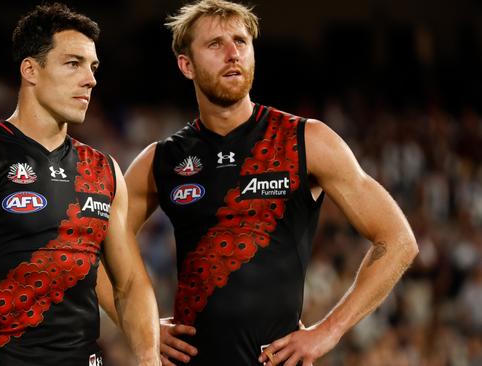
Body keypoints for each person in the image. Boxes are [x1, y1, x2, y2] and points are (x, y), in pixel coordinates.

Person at [96, 0, 419, 365]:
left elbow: (398, 240)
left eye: (241, 41)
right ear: (186, 65)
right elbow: (94, 249)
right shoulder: (161, 159)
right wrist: (144, 328)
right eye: (215, 44)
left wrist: (328, 331)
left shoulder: (305, 140)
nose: (233, 53)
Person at [0, 3, 160, 365]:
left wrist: (150, 357)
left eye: (93, 67)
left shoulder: (104, 169)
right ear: (30, 70)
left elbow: (128, 283)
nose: (90, 79)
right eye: (73, 63)